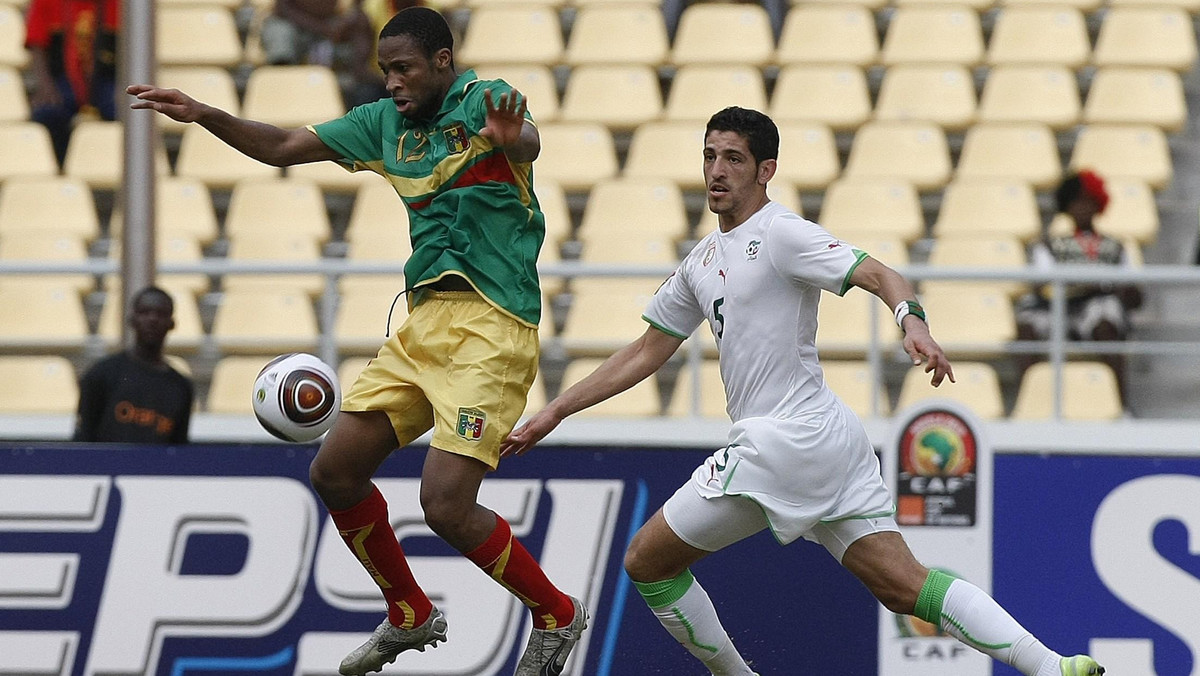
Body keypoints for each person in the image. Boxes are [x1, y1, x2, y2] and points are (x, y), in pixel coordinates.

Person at [502, 107, 1105, 676]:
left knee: (647, 562)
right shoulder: (702, 260)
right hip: (829, 439)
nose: (717, 170)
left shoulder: (782, 233)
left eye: (734, 159)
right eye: (710, 156)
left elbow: (878, 273)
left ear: (766, 171)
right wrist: (556, 409)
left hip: (779, 440)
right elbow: (645, 351)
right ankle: (1053, 666)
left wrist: (911, 319)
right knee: (903, 585)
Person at [128, 7, 586, 676]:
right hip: (424, 322)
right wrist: (203, 113)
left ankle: (556, 614)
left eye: (404, 68)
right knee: (334, 470)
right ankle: (408, 611)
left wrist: (516, 140)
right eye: (385, 71)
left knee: (444, 505)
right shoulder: (381, 125)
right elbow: (282, 147)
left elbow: (525, 142)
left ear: (441, 61)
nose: (393, 82)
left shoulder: (482, 100)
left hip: (492, 325)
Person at [1015, 169, 1142, 402]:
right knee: (1027, 324)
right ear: (1067, 206)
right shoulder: (1049, 245)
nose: (1083, 207)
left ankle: (1120, 403)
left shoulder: (1116, 246)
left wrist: (1117, 290)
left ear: (1098, 205)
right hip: (1055, 308)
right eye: (1077, 201)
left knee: (1107, 317)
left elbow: (1135, 294)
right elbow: (1042, 286)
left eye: (1088, 201)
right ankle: (1027, 401)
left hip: (1096, 309)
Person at [74, 286, 193, 443]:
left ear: (172, 323)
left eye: (161, 313)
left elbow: (178, 450)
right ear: (132, 319)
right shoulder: (102, 374)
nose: (152, 319)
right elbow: (83, 439)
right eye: (145, 312)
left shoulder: (181, 387)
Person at [24, 0, 120, 165]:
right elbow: (37, 45)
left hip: (108, 80)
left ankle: (113, 166)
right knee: (47, 112)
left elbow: (132, 50)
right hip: (62, 80)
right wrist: (45, 86)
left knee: (129, 111)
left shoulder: (121, 4)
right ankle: (57, 169)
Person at [260, 0, 385, 107]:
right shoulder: (282, 26)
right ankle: (282, 92)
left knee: (364, 89)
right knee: (281, 37)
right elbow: (282, 8)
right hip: (292, 24)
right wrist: (322, 28)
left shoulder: (347, 21)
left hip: (330, 24)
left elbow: (358, 11)